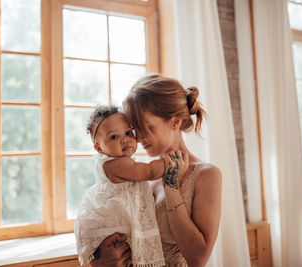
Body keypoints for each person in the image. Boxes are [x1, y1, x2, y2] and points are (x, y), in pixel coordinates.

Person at [90, 74, 222, 267]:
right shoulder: (139, 173)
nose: (139, 137)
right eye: (135, 129)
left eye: (147, 127)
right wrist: (100, 260)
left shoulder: (206, 175)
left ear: (175, 122)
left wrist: (172, 186)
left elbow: (198, 259)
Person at [74, 105, 188, 267]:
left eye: (128, 133)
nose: (125, 139)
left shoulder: (118, 163)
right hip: (114, 229)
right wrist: (170, 162)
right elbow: (147, 172)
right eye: (114, 137)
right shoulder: (115, 164)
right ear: (99, 148)